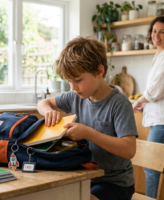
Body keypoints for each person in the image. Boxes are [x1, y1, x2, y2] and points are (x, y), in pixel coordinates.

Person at [37, 36, 138, 200]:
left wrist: (88, 133)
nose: (73, 87)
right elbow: (43, 102)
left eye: (77, 80)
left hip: (115, 183)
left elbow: (129, 149)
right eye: (69, 81)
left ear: (99, 71)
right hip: (83, 176)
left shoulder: (119, 104)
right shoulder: (75, 96)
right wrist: (48, 111)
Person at [132, 16, 164, 199]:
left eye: (162, 32)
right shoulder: (158, 55)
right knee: (154, 166)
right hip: (158, 119)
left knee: (151, 167)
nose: (156, 35)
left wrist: (139, 100)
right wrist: (144, 100)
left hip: (161, 121)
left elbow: (156, 89)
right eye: (154, 31)